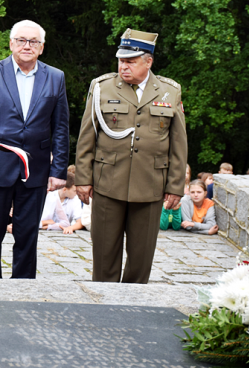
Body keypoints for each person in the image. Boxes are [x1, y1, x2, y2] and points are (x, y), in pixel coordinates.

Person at [75, 28, 187, 284]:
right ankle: (103, 305)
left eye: (130, 61)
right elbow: (87, 135)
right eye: (120, 60)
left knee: (141, 256)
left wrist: (175, 186)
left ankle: (134, 306)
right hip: (108, 182)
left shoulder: (169, 91)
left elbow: (178, 144)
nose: (123, 66)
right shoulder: (102, 87)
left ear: (148, 62)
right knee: (104, 254)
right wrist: (83, 178)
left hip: (150, 185)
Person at [0, 19, 69, 279]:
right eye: (21, 40)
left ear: (42, 47)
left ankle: (23, 287)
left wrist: (59, 171)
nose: (27, 45)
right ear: (11, 43)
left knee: (27, 234)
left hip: (36, 170)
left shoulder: (55, 77)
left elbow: (60, 127)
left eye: (33, 41)